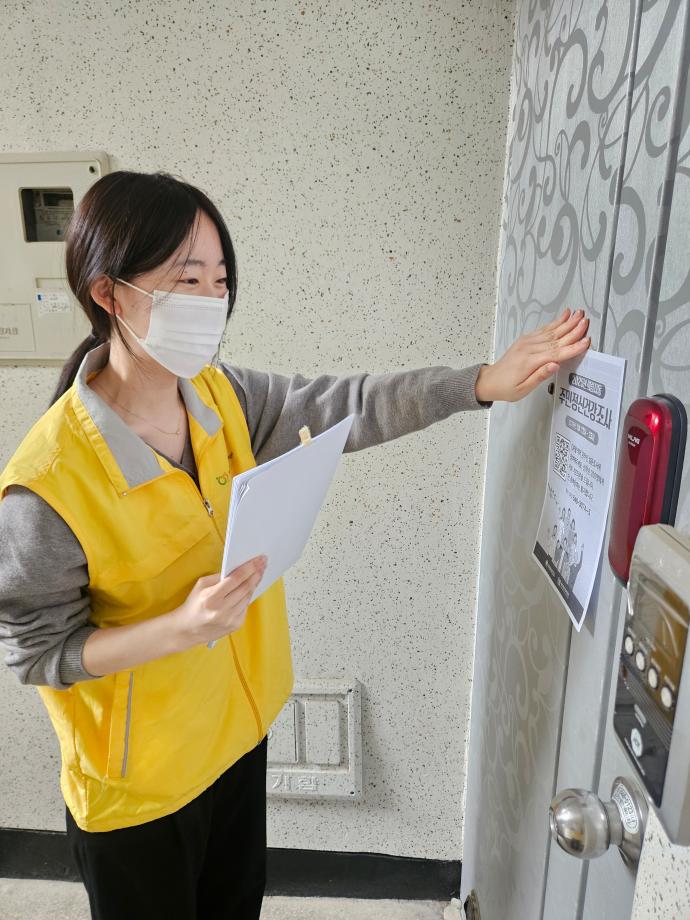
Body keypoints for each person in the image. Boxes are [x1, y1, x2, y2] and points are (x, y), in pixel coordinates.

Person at [0, 170, 591, 920]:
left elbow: (347, 406)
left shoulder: (220, 397)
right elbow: (37, 653)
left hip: (237, 740)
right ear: (108, 294)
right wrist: (176, 629)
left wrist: (479, 383)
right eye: (185, 280)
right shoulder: (47, 485)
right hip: (137, 792)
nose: (211, 301)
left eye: (220, 280)